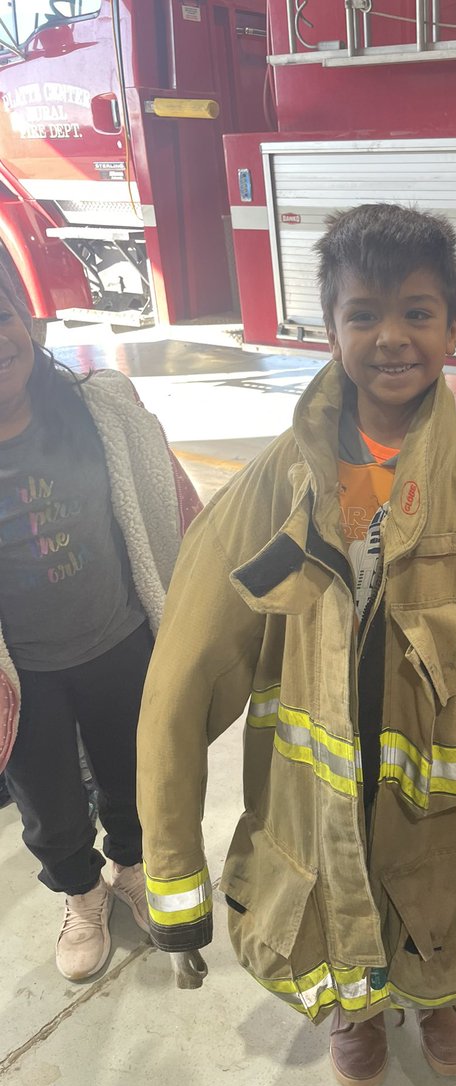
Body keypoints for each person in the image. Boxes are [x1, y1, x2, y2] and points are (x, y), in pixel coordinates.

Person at [136, 203, 456, 1086]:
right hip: (320, 794)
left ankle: (444, 995)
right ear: (328, 328)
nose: (392, 337)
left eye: (417, 312)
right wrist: (173, 887)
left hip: (454, 811)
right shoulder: (268, 493)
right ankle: (356, 1006)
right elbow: (178, 686)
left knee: (437, 908)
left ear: (453, 326)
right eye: (364, 313)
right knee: (343, 887)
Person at [0, 263, 201, 981]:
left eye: (2, 318)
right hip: (24, 675)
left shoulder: (100, 408)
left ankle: (130, 870)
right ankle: (82, 894)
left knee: (133, 780)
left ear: (25, 319)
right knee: (50, 806)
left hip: (121, 642)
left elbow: (170, 505)